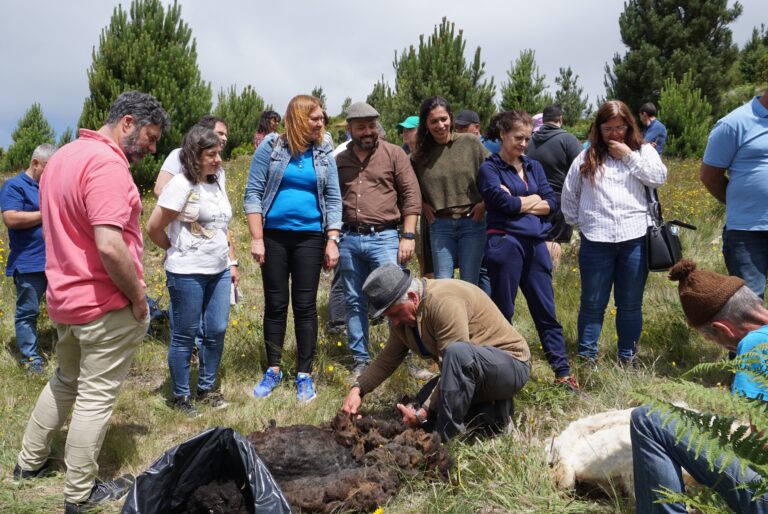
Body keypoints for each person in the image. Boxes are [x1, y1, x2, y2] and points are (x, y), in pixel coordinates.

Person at [13, 91, 170, 513]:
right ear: (127, 122)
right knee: (95, 395)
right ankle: (79, 492)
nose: (152, 148)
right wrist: (140, 299)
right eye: (150, 137)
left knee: (65, 381)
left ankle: (28, 463)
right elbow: (109, 244)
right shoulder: (106, 165)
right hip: (104, 302)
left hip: (64, 298)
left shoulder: (61, 158)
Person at [631, 259, 768, 513]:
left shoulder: (754, 347)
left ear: (722, 328)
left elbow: (762, 445)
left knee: (648, 419)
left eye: (711, 339)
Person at [341, 264, 531, 442]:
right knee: (423, 401)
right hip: (473, 370)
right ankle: (493, 413)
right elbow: (386, 361)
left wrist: (423, 413)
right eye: (389, 317)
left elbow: (458, 361)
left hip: (510, 365)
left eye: (395, 314)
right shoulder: (403, 318)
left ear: (413, 297)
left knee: (453, 360)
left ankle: (446, 441)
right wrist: (358, 389)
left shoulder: (443, 302)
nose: (395, 322)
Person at [244, 94, 342, 401]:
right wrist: (257, 237)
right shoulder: (271, 147)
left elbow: (334, 197)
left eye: (322, 118)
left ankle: (304, 375)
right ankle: (273, 369)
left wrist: (332, 239)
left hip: (310, 238)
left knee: (305, 305)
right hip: (273, 237)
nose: (321, 123)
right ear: (299, 118)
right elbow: (252, 194)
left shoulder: (324, 150)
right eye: (315, 118)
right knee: (275, 304)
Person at [561, 100, 667, 365]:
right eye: (608, 128)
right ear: (599, 128)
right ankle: (587, 359)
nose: (615, 133)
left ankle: (627, 358)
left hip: (635, 239)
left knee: (630, 304)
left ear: (629, 126)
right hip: (596, 240)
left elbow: (658, 178)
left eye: (620, 127)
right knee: (593, 303)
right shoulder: (586, 156)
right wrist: (581, 225)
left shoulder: (643, 152)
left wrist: (628, 157)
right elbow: (569, 196)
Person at [479, 110, 577, 391]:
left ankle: (562, 372)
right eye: (518, 138)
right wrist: (532, 201)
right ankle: (498, 374)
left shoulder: (533, 167)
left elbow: (551, 203)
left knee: (545, 310)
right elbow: (501, 203)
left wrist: (522, 200)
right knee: (502, 311)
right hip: (505, 245)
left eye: (527, 138)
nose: (523, 144)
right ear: (502, 135)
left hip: (536, 245)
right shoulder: (490, 168)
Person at [147, 125, 237, 416]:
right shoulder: (181, 185)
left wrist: (231, 260)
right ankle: (181, 396)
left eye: (218, 153)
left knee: (217, 330)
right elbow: (153, 228)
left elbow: (223, 225)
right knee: (185, 335)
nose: (218, 160)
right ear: (194, 156)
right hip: (187, 273)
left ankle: (207, 388)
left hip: (219, 269)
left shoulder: (219, 179)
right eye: (211, 155)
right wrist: (175, 249)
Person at [333, 102, 421, 376]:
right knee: (353, 300)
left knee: (397, 299)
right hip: (349, 238)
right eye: (362, 127)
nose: (368, 131)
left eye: (372, 126)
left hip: (385, 237)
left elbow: (411, 196)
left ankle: (406, 358)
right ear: (350, 130)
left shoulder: (394, 154)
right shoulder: (340, 160)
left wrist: (408, 236)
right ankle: (361, 360)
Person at [412, 96, 489, 285]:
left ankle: (469, 316)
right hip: (440, 225)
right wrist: (422, 205)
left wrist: (485, 203)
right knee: (443, 283)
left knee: (469, 282)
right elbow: (407, 186)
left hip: (473, 222)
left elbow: (494, 174)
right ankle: (447, 316)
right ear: (426, 125)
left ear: (451, 118)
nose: (440, 125)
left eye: (444, 119)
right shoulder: (419, 155)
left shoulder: (470, 143)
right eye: (434, 121)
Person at [700, 89, 768, 299]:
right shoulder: (734, 123)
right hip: (747, 232)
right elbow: (710, 175)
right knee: (750, 304)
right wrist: (742, 204)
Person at [0, 143, 57, 374]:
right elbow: (11, 219)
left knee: (66, 308)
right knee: (28, 312)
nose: (53, 173)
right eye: (49, 167)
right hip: (29, 262)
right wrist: (47, 214)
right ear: (36, 163)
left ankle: (64, 352)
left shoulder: (50, 186)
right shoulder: (14, 186)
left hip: (57, 261)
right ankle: (31, 360)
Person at [525, 104, 582, 262]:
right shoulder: (567, 139)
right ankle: (552, 276)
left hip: (534, 198)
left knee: (540, 238)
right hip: (559, 198)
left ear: (543, 120)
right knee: (554, 240)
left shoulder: (529, 140)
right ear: (561, 119)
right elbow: (581, 168)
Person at [152, 115, 228, 197]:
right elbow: (160, 190)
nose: (225, 138)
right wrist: (188, 207)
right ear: (205, 132)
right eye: (220, 133)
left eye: (225, 135)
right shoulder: (179, 155)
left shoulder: (220, 170)